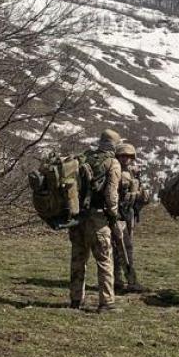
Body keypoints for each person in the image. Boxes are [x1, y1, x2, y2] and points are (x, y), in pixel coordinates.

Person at [69, 129, 121, 312]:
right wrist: (114, 215)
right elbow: (111, 194)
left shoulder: (83, 157)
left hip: (77, 217)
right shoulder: (112, 163)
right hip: (98, 218)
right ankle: (107, 302)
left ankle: (76, 299)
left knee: (78, 258)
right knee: (104, 260)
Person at [112, 142, 145, 294]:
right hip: (119, 213)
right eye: (122, 156)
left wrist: (140, 195)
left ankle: (119, 279)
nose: (125, 159)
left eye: (128, 156)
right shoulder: (115, 172)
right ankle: (127, 280)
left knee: (124, 247)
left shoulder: (133, 172)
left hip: (129, 213)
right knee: (123, 248)